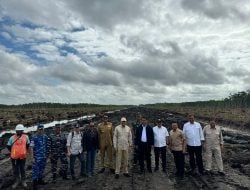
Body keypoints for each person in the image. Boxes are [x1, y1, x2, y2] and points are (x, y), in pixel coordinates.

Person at [7, 124, 30, 189]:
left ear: (22, 131)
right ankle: (17, 181)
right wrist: (14, 152)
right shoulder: (12, 138)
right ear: (16, 131)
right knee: (15, 169)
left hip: (23, 157)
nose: (19, 132)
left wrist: (23, 152)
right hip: (14, 158)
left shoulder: (26, 137)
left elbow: (27, 145)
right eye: (18, 131)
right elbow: (8, 146)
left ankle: (23, 181)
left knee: (22, 169)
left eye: (20, 131)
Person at [30, 124, 49, 190]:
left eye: (42, 129)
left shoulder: (45, 136)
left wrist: (48, 155)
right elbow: (31, 147)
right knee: (35, 171)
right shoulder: (34, 137)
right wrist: (32, 158)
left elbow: (48, 145)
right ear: (37, 129)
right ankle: (35, 185)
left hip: (43, 156)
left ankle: (40, 180)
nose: (41, 130)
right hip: (37, 157)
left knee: (42, 169)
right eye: (40, 129)